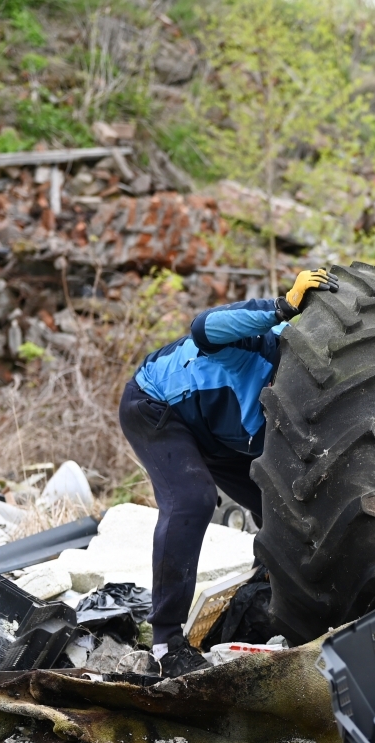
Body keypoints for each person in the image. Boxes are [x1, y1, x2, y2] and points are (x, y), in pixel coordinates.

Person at [118, 269, 338, 677]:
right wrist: (280, 307)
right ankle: (166, 642)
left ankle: (265, 590)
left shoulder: (308, 400)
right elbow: (203, 327)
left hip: (214, 432)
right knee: (192, 500)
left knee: (279, 507)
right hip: (156, 406)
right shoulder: (258, 344)